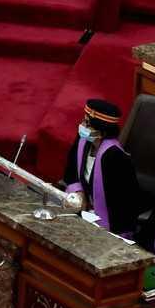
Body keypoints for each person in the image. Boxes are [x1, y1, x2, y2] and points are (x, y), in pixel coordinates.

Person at [61, 99, 142, 237]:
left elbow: (124, 203)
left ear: (102, 132)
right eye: (84, 120)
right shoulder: (83, 140)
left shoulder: (116, 158)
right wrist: (79, 192)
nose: (82, 126)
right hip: (84, 210)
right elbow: (71, 170)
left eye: (88, 124)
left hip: (111, 224)